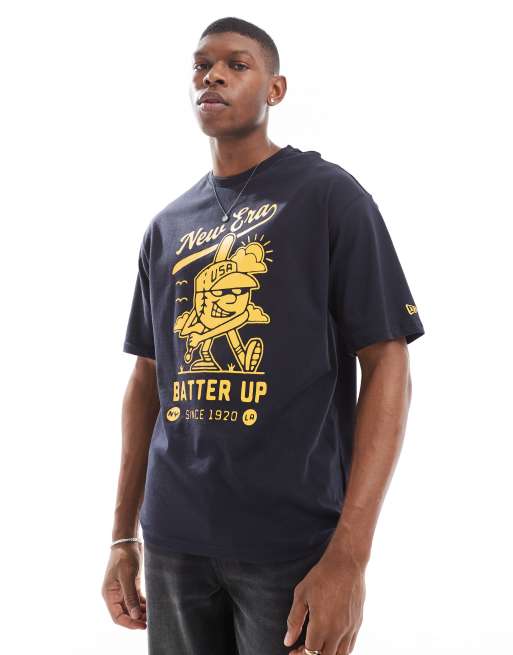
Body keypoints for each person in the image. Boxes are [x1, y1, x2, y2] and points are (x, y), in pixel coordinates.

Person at [101, 16, 425, 655]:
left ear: (275, 90)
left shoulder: (328, 197)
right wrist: (122, 536)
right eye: (202, 65)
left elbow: (388, 362)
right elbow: (147, 379)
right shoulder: (168, 225)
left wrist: (350, 555)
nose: (213, 76)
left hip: (292, 544)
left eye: (236, 64)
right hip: (172, 540)